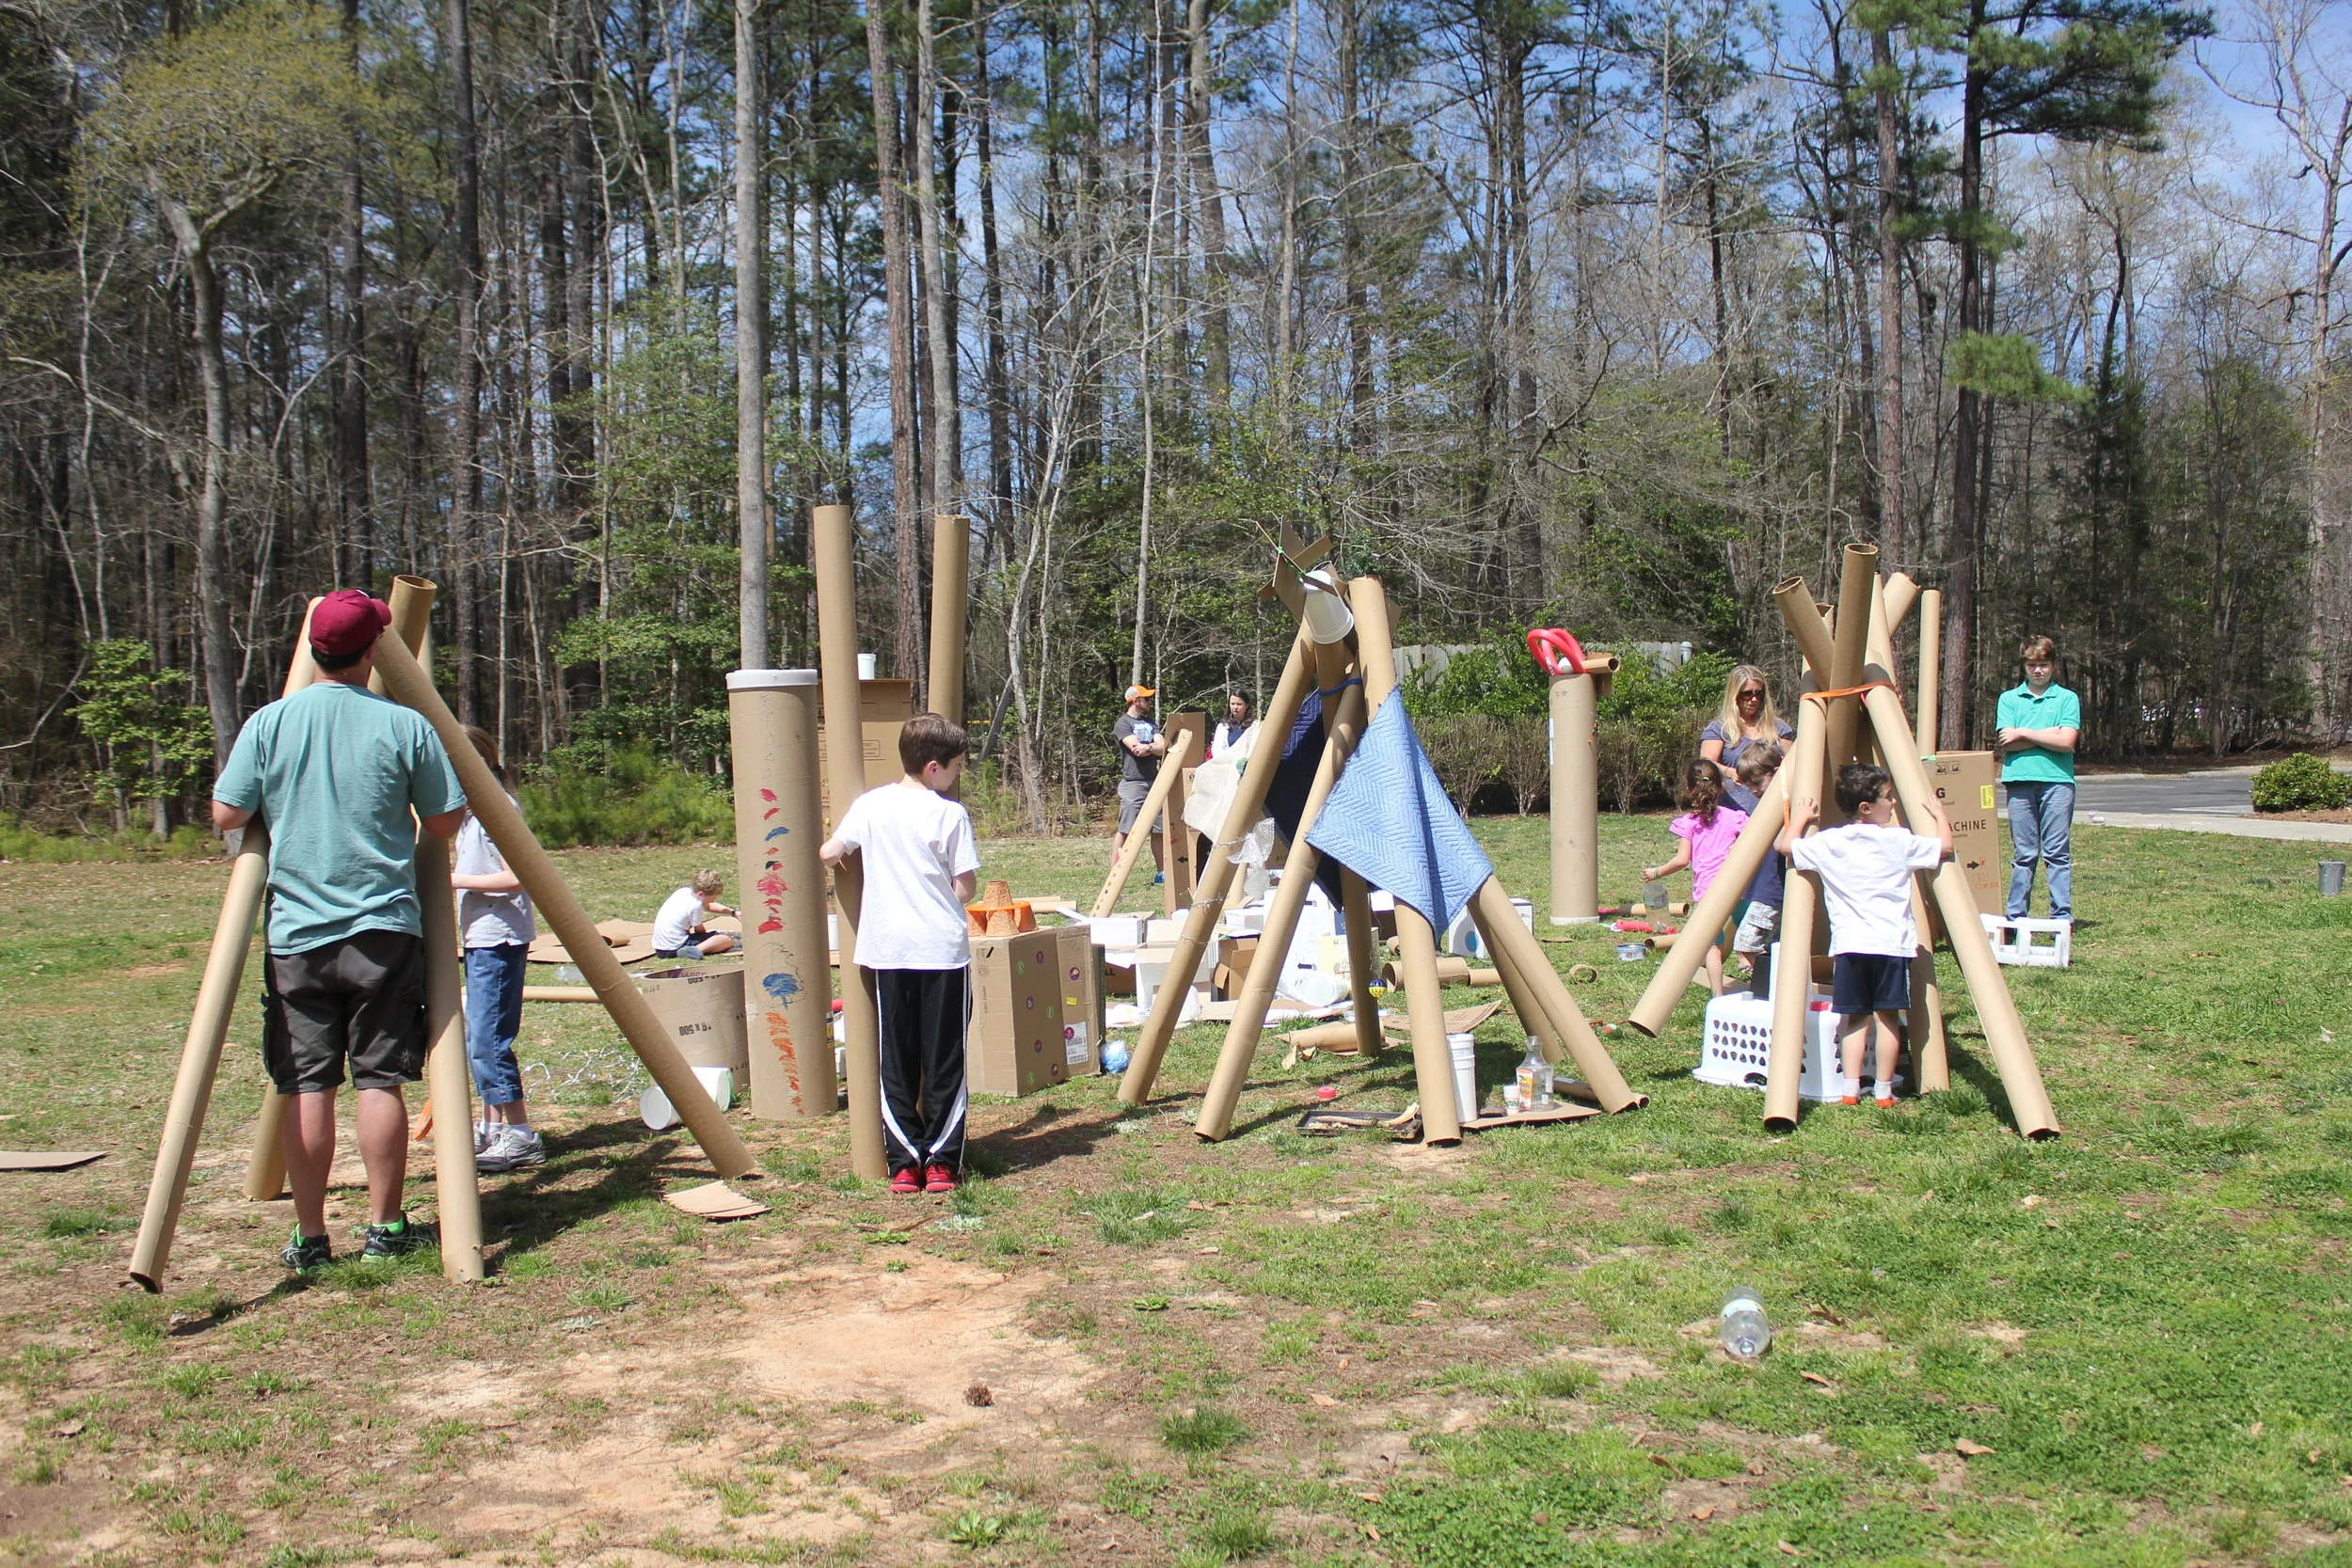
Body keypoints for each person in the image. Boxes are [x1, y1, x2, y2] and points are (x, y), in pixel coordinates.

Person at [211, 589, 467, 1272]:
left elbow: (226, 812)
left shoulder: (270, 722)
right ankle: (385, 1229)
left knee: (307, 1084)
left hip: (296, 934)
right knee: (380, 1080)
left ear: (314, 649)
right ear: (371, 650)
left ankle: (311, 1237)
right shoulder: (405, 725)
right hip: (383, 929)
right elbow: (444, 821)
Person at [819, 713, 981, 1196]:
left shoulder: (870, 805)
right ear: (934, 768)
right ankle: (941, 1164)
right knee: (944, 1057)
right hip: (942, 951)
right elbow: (966, 886)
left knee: (897, 1056)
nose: (956, 775)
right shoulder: (950, 813)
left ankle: (905, 1163)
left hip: (888, 949)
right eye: (955, 767)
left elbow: (830, 852)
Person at [1779, 763, 1951, 1109]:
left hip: (1849, 945)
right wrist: (1939, 814)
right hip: (1891, 945)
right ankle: (1885, 1091)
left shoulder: (1829, 842)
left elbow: (1785, 846)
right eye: (1888, 798)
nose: (1894, 804)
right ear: (1866, 807)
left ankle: (1850, 1089)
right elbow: (1944, 848)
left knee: (1854, 1018)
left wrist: (1801, 816)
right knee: (1888, 1017)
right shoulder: (1899, 841)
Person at [450, 725, 543, 1174]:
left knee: (489, 1041)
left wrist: (453, 880)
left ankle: (521, 1135)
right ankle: (492, 1127)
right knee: (477, 1038)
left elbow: (517, 875)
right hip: (480, 937)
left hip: (499, 937)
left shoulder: (496, 809)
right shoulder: (470, 813)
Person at [1642, 758, 1750, 996]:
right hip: (1738, 888)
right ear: (1721, 788)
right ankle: (1757, 977)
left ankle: (1718, 996)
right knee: (1751, 934)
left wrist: (1656, 872)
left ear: (1689, 789)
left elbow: (1682, 860)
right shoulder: (1736, 818)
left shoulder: (1689, 823)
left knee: (1713, 945)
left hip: (1708, 891)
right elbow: (1750, 844)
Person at [1996, 634, 2081, 923]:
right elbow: (2007, 742)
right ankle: (2016, 915)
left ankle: (2061, 916)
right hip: (2019, 782)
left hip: (2058, 782)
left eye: (2043, 664)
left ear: (2053, 665)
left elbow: (2068, 741)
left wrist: (2024, 733)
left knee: (2057, 852)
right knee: (2024, 854)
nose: (2037, 670)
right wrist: (2049, 735)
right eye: (2031, 664)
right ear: (2023, 666)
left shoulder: (2067, 699)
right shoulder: (2009, 699)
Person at [1723, 743, 1785, 995]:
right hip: (1764, 889)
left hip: (1772, 891)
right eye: (1749, 787)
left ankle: (1767, 990)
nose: (1755, 791)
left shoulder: (1784, 804)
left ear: (1778, 772)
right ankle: (1770, 989)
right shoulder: (1766, 805)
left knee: (1746, 945)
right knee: (1771, 946)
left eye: (1758, 783)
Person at [1112, 684, 1168, 880]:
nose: (1149, 701)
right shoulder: (1123, 724)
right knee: (1126, 830)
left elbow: (1163, 746)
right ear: (1136, 701)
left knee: (1159, 829)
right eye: (1146, 698)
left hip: (1154, 781)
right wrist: (1152, 747)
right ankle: (1115, 874)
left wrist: (1150, 748)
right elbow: (1135, 748)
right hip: (1133, 783)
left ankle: (1161, 873)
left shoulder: (1150, 723)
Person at [1699, 665, 1794, 771]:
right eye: (1747, 694)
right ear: (1734, 695)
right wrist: (1730, 772)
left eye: (1758, 693)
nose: (1754, 699)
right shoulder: (1718, 730)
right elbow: (1705, 766)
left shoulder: (1779, 728)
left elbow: (1793, 766)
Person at [652, 870, 737, 959]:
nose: (712, 902)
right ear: (701, 894)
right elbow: (699, 930)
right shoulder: (695, 905)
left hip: (660, 948)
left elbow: (708, 906)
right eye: (712, 899)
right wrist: (708, 937)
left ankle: (690, 949)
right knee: (725, 940)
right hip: (675, 947)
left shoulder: (683, 892)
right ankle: (694, 950)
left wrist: (732, 912)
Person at [1209, 691, 1253, 759]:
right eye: (1232, 704)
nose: (1235, 707)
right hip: (1227, 765)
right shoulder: (1222, 726)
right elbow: (1217, 749)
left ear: (1247, 705)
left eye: (1239, 704)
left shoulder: (1254, 726)